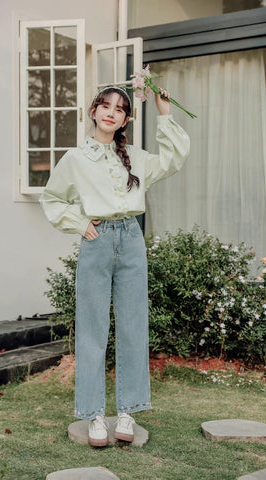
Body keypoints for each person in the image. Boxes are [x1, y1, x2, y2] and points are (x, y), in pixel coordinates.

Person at [40, 85, 190, 447]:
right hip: (96, 240)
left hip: (131, 241)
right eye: (105, 106)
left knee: (133, 325)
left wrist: (165, 112)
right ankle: (93, 415)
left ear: (126, 119)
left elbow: (173, 159)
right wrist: (80, 224)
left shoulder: (135, 157)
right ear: (93, 110)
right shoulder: (74, 158)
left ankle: (127, 411)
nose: (111, 112)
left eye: (119, 109)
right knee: (92, 329)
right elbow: (52, 198)